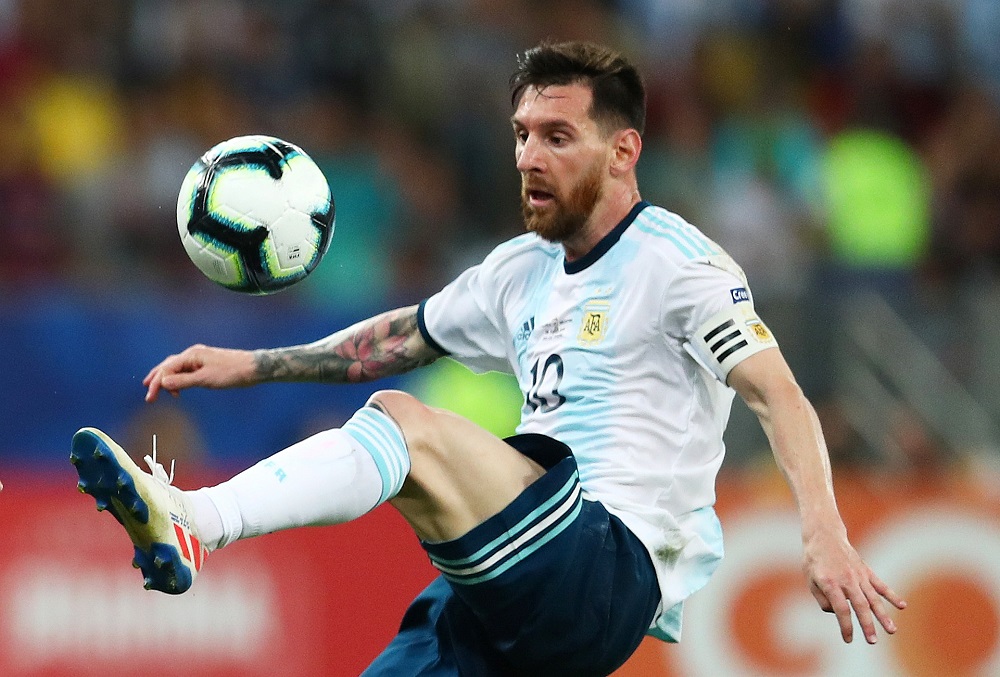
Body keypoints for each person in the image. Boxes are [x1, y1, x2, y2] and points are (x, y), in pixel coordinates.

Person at [70, 41, 905, 676]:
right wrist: (252, 363)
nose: (529, 157)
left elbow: (779, 395)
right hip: (504, 578)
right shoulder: (520, 269)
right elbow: (395, 341)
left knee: (405, 425)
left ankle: (197, 521)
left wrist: (824, 535)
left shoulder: (681, 266)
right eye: (521, 135)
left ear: (623, 151)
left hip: (605, 566)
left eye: (557, 137)